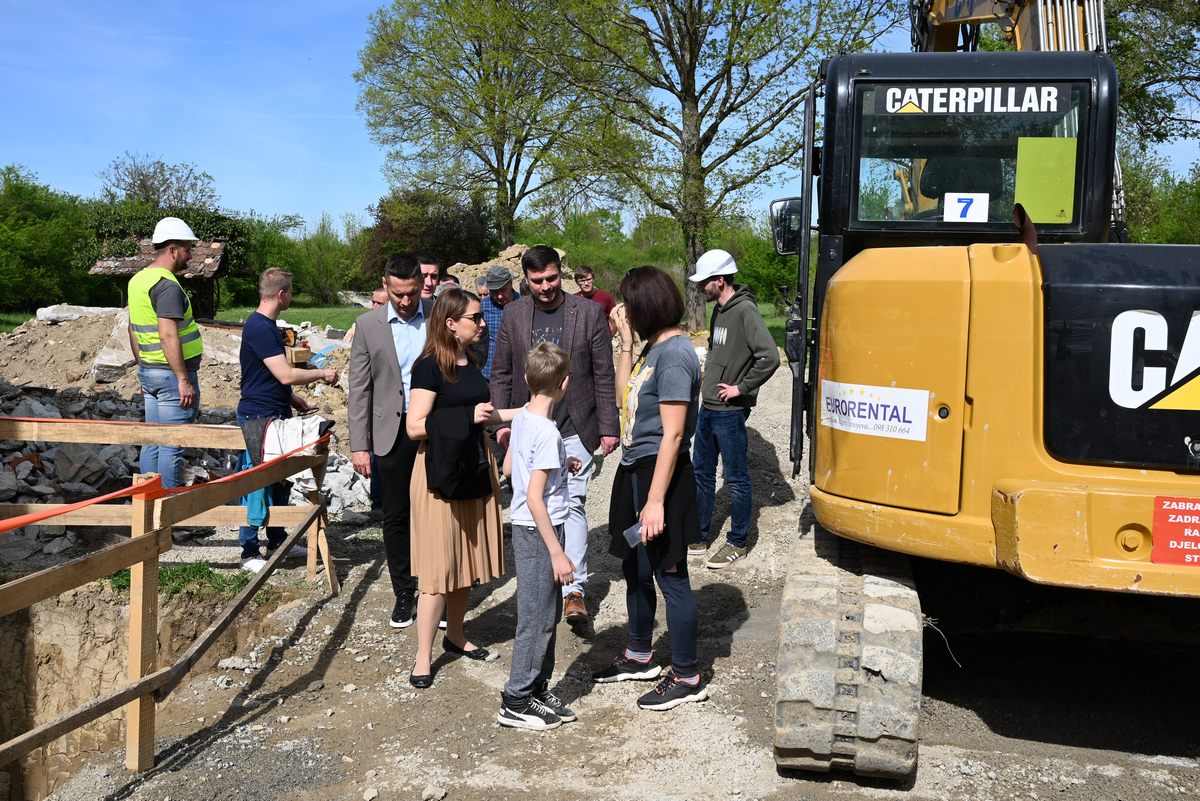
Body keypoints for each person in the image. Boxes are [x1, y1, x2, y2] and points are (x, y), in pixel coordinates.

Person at [593, 265, 708, 711]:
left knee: (670, 575)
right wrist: (626, 343)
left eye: (628, 303)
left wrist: (656, 501)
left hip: (663, 478)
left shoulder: (676, 354)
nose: (622, 310)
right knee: (636, 568)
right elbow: (623, 398)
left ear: (646, 305)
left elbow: (673, 435)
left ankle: (687, 675)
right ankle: (640, 655)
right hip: (635, 470)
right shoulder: (653, 349)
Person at [491, 245, 619, 627]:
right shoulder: (514, 315)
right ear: (526, 280)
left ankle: (574, 590)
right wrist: (502, 426)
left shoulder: (588, 312)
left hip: (575, 424)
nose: (545, 287)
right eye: (537, 281)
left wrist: (608, 426)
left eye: (551, 279)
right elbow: (501, 372)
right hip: (529, 424)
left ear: (560, 274)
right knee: (533, 503)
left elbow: (603, 371)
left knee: (573, 502)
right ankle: (542, 580)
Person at [405, 286, 514, 688]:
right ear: (450, 323)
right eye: (475, 317)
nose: (483, 323)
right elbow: (414, 426)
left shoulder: (472, 359)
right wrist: (466, 417)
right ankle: (422, 657)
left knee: (465, 561)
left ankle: (455, 634)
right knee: (438, 569)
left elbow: (484, 414)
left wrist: (529, 411)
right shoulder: (429, 366)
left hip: (474, 466)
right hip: (440, 474)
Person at [497, 342, 581, 730]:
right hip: (539, 532)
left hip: (532, 529)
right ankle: (515, 699)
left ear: (527, 379)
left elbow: (511, 467)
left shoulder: (523, 419)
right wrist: (558, 553)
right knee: (536, 619)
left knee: (546, 614)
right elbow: (534, 498)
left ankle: (536, 688)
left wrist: (560, 462)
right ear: (565, 384)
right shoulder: (547, 432)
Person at [349, 254, 433, 629]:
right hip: (392, 432)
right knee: (397, 514)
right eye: (398, 294)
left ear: (421, 284)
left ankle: (436, 589)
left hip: (433, 427)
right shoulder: (368, 326)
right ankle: (404, 592)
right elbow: (359, 389)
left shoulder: (438, 316)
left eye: (411, 292)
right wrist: (359, 445)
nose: (405, 300)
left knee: (435, 512)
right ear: (386, 286)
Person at [237, 268, 339, 571]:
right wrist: (322, 373)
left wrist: (291, 398)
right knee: (257, 481)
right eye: (291, 291)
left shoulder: (267, 326)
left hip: (274, 409)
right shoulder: (259, 327)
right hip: (258, 416)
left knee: (280, 479)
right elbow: (284, 373)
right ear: (281, 294)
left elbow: (266, 375)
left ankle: (277, 540)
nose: (291, 296)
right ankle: (249, 550)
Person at [688, 249, 781, 568]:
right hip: (708, 409)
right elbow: (718, 351)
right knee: (701, 473)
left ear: (720, 280)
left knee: (736, 478)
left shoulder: (745, 311)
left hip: (729, 413)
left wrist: (741, 388)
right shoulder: (719, 311)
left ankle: (738, 542)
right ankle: (699, 534)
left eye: (704, 282)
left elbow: (770, 357)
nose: (700, 288)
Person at [127, 216, 204, 488]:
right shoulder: (166, 284)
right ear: (172, 250)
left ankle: (146, 502)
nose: (190, 255)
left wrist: (143, 366)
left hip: (151, 372)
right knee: (171, 444)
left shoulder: (138, 281)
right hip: (172, 377)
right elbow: (167, 334)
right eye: (187, 249)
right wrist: (182, 378)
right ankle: (167, 507)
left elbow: (132, 329)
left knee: (153, 442)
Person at [480, 265, 518, 381]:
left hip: (518, 374)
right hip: (489, 375)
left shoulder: (525, 304)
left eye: (503, 290)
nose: (499, 296)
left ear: (510, 284)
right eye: (494, 292)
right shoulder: (482, 307)